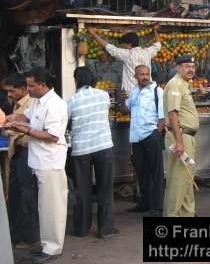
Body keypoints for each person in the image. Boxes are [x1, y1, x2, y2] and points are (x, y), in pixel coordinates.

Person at [6, 67, 68, 264]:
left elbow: (52, 135)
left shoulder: (55, 104)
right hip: (38, 162)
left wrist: (26, 130)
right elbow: (27, 117)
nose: (28, 89)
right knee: (43, 207)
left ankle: (53, 248)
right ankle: (46, 244)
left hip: (50, 163)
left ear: (42, 84)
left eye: (31, 85)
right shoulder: (37, 102)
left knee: (52, 208)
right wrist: (13, 119)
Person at [67, 66, 117, 238]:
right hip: (103, 146)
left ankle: (81, 228)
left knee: (82, 189)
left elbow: (67, 123)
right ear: (93, 79)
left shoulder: (71, 101)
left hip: (81, 149)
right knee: (105, 188)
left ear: (76, 81)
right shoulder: (103, 96)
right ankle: (106, 229)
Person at [3, 73, 39, 248]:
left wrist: (9, 129)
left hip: (27, 152)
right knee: (16, 196)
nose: (8, 94)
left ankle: (30, 237)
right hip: (17, 154)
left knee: (27, 195)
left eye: (12, 91)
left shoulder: (31, 105)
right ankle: (16, 235)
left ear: (24, 89)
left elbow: (28, 130)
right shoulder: (16, 105)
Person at [123, 65, 165, 216]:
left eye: (147, 74)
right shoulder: (134, 91)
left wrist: (156, 134)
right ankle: (145, 203)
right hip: (136, 138)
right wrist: (123, 100)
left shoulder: (157, 91)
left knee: (156, 173)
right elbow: (127, 109)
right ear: (135, 76)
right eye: (142, 74)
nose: (145, 77)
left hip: (151, 135)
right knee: (141, 172)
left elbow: (163, 118)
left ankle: (158, 207)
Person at [164, 55, 200, 217]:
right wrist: (179, 142)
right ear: (177, 68)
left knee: (186, 178)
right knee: (178, 181)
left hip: (188, 137)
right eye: (186, 66)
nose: (190, 69)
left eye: (192, 66)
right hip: (181, 137)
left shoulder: (184, 85)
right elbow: (173, 115)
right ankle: (172, 215)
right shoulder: (175, 84)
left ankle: (187, 214)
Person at [88, 26, 161, 94]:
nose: (124, 47)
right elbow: (158, 45)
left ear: (129, 44)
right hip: (147, 92)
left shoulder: (127, 54)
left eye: (124, 45)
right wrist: (155, 30)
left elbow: (109, 47)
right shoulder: (147, 52)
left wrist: (94, 34)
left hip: (131, 93)